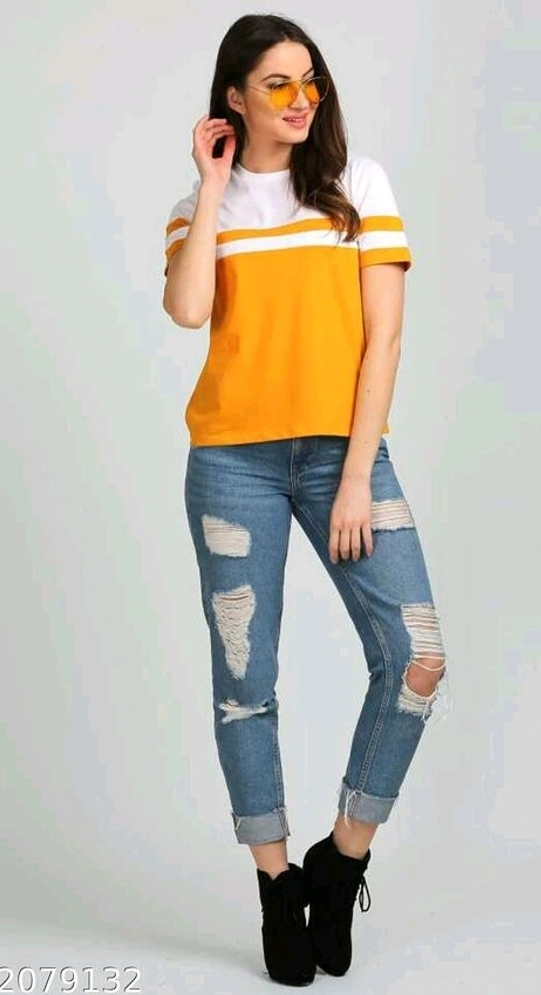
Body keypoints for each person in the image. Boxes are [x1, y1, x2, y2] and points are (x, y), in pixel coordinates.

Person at [162, 12, 450, 987]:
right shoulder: (200, 208)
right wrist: (212, 189)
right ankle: (277, 882)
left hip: (341, 455)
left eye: (309, 81)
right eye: (276, 84)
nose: (300, 99)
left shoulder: (358, 187)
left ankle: (342, 856)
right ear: (234, 98)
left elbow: (385, 340)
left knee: (416, 656)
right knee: (246, 682)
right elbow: (189, 309)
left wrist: (358, 472)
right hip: (230, 463)